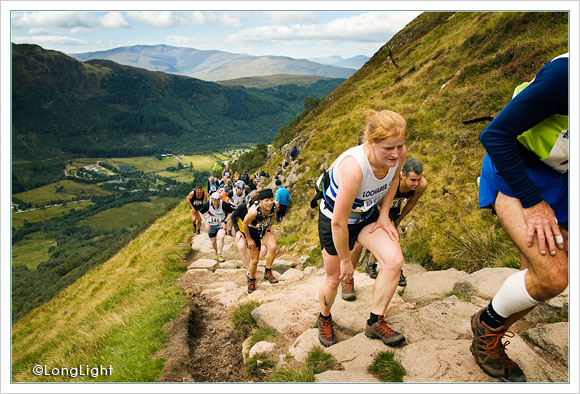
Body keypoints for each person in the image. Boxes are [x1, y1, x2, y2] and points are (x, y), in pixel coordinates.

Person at [471, 54, 568, 382]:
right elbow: (494, 135)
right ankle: (487, 326)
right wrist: (534, 203)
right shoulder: (565, 75)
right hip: (517, 173)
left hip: (562, 179)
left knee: (538, 274)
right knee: (552, 277)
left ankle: (493, 327)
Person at [316, 109, 408, 348]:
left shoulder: (398, 155)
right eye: (389, 148)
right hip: (336, 221)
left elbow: (395, 179)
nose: (396, 154)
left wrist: (385, 215)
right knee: (335, 277)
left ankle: (375, 321)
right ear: (372, 142)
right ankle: (324, 318)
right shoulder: (354, 168)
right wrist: (347, 261)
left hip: (367, 214)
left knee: (394, 261)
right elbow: (338, 222)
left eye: (400, 146)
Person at [365, 158, 428, 285]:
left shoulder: (421, 185)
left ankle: (371, 264)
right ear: (403, 175)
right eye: (413, 180)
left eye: (419, 179)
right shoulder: (391, 181)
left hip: (393, 208)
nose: (416, 183)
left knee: (391, 234)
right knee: (390, 235)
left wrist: (398, 220)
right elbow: (377, 203)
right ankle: (395, 270)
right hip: (376, 206)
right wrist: (385, 221)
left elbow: (411, 203)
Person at [231, 189, 280, 294]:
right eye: (266, 200)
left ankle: (268, 271)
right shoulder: (253, 211)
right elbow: (244, 224)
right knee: (255, 260)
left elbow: (273, 214)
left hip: (263, 228)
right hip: (252, 230)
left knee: (273, 247)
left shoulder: (275, 206)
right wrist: (249, 239)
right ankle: (251, 279)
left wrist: (270, 225)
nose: (270, 203)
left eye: (271, 199)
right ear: (261, 201)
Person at [199, 191, 235, 263]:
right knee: (213, 242)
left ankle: (219, 254)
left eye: (218, 200)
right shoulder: (207, 204)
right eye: (214, 200)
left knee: (221, 237)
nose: (216, 202)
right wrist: (206, 223)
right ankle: (216, 252)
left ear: (220, 199)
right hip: (211, 224)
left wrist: (225, 221)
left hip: (220, 224)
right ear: (211, 199)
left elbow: (231, 212)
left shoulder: (223, 204)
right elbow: (201, 212)